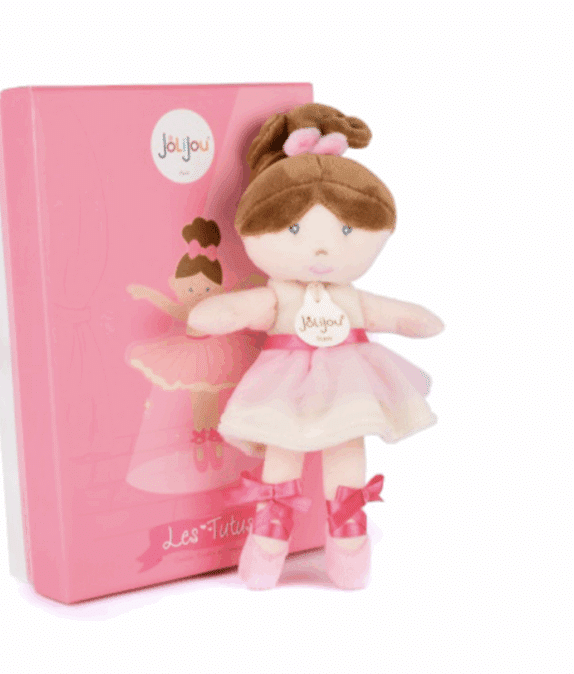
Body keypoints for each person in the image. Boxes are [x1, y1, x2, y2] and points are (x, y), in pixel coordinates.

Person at [188, 103, 443, 589]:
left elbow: (390, 314)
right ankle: (269, 539)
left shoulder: (349, 295)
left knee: (347, 450)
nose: (323, 249)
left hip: (349, 383)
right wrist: (216, 315)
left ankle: (349, 541)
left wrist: (416, 320)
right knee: (282, 452)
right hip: (284, 385)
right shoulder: (280, 294)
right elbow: (241, 310)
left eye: (346, 232)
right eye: (296, 231)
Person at [128, 217, 259, 471]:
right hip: (192, 354)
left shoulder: (217, 305)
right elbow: (169, 306)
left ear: (217, 288)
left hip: (217, 353)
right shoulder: (187, 311)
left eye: (207, 289)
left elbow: (235, 304)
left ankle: (214, 439)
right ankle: (201, 442)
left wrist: (249, 284)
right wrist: (147, 293)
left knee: (213, 402)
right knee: (199, 403)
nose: (197, 294)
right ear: (179, 286)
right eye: (189, 290)